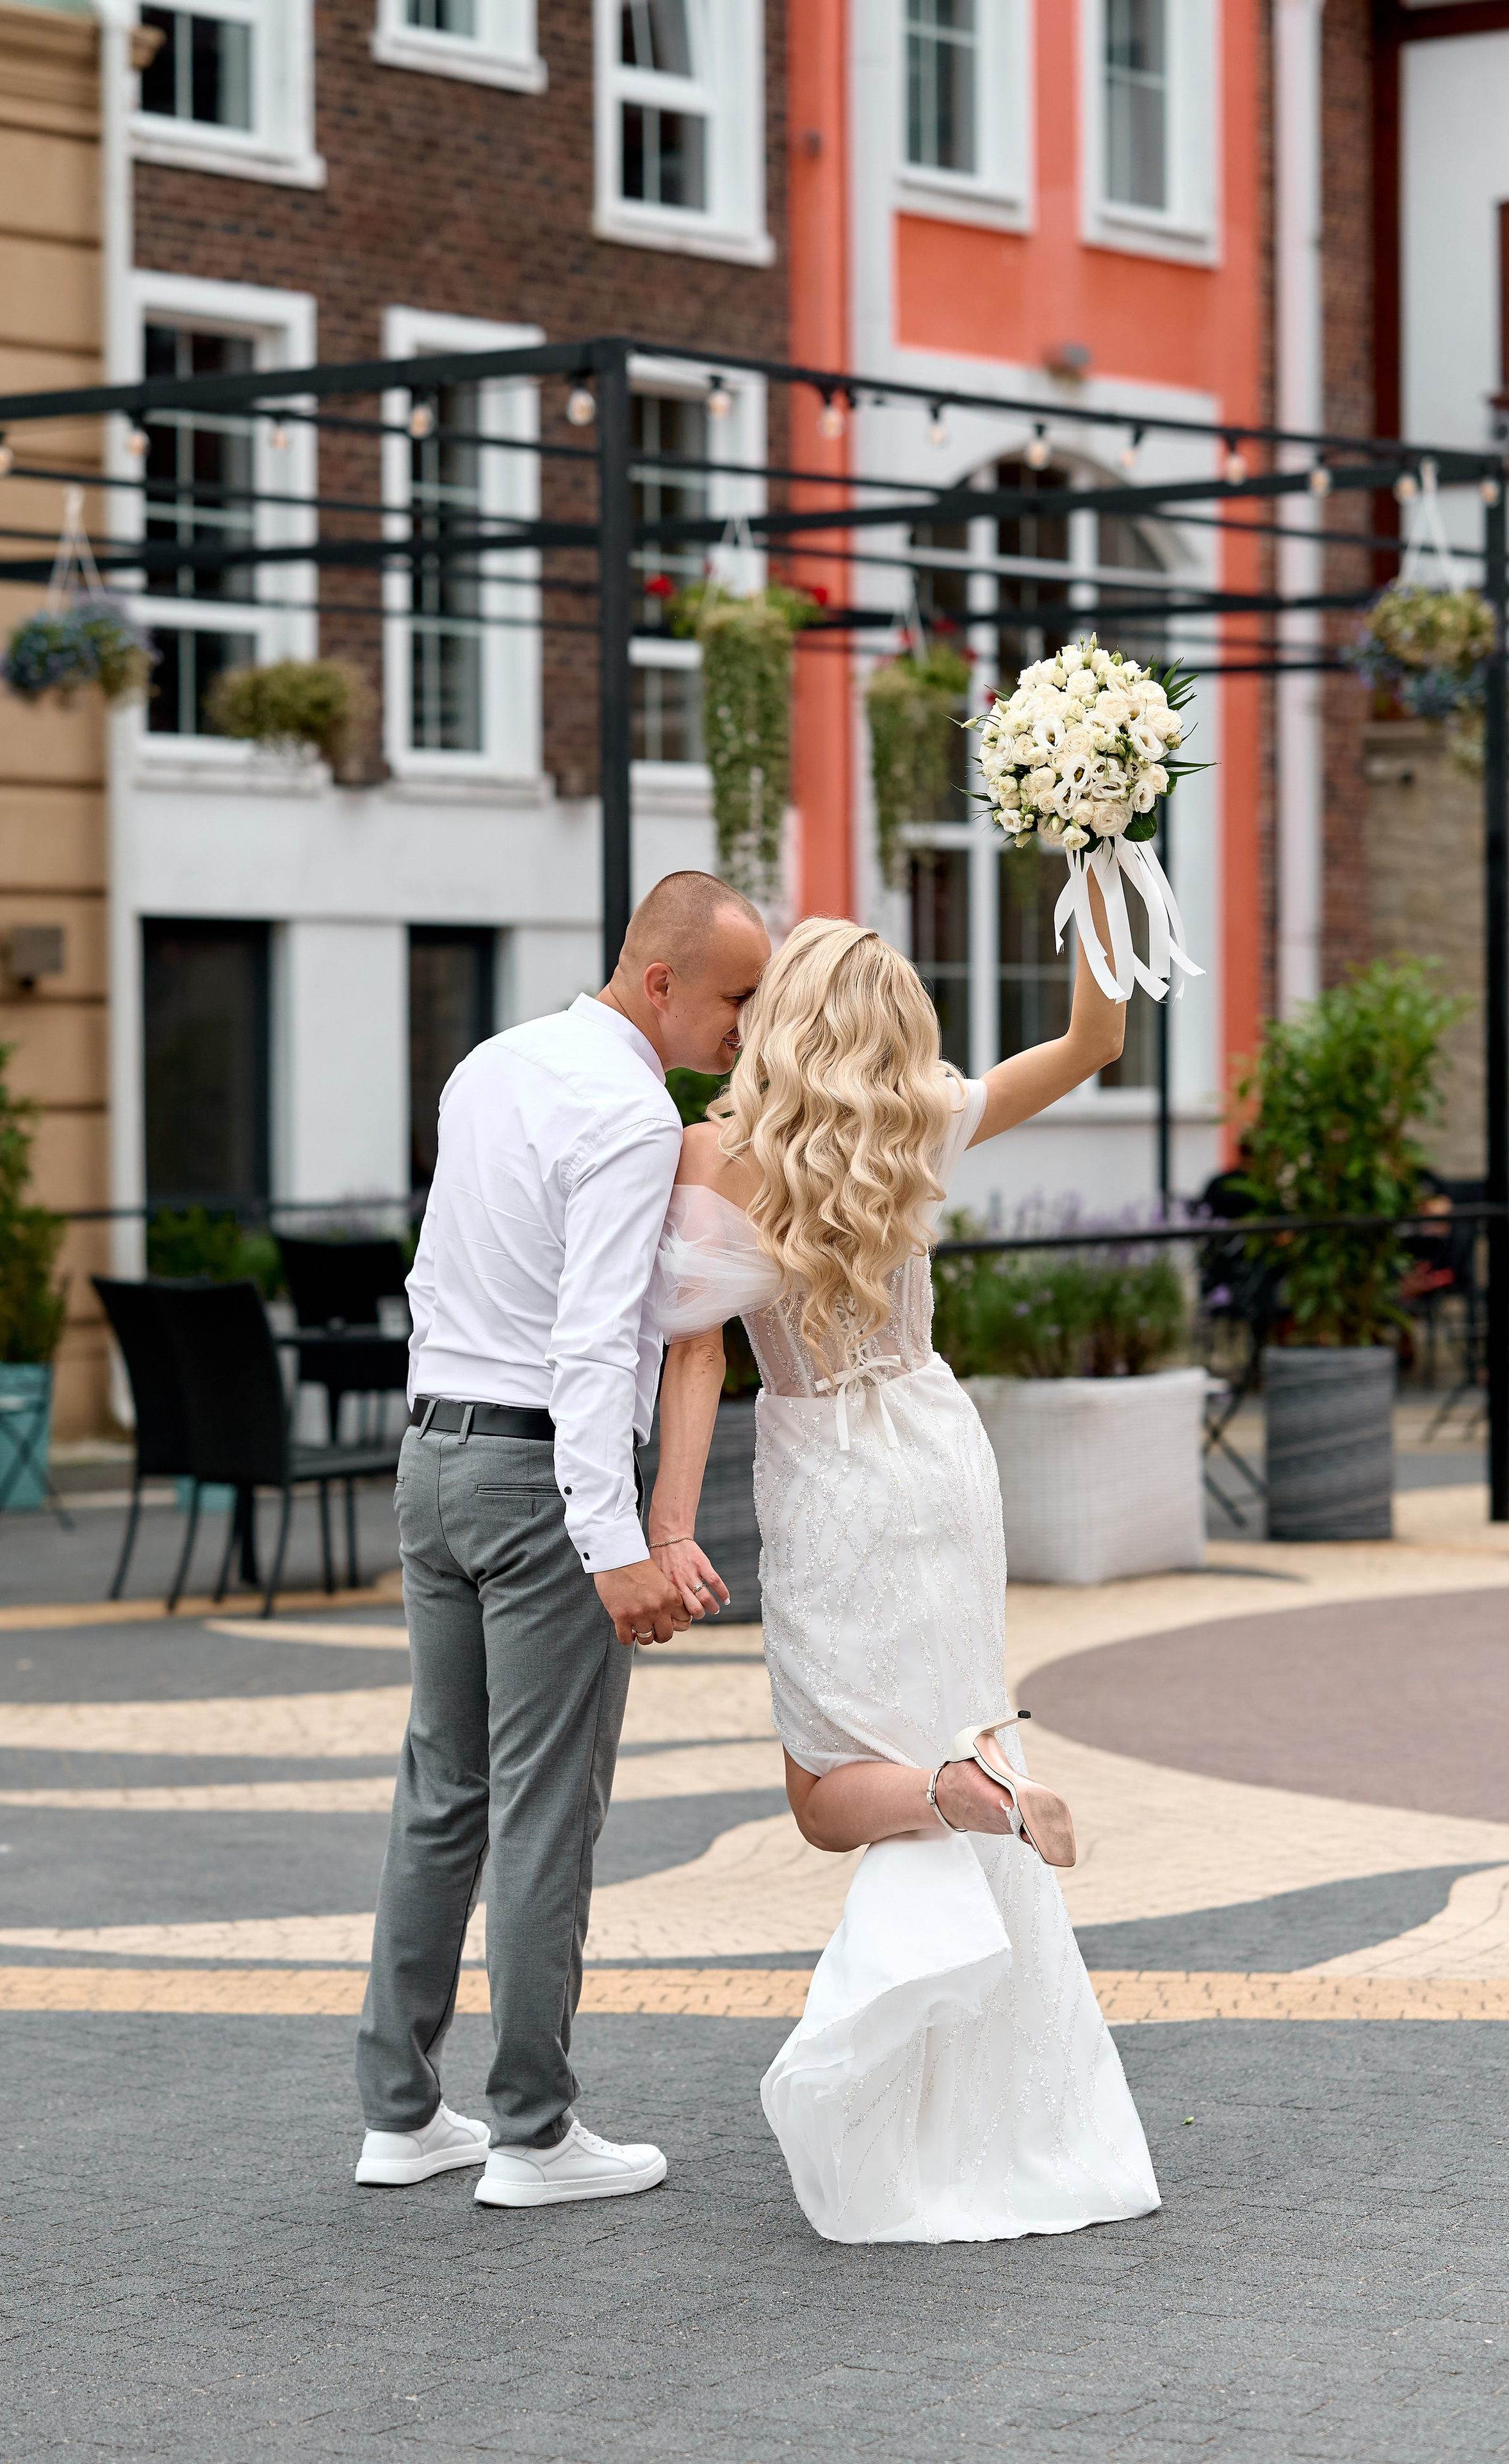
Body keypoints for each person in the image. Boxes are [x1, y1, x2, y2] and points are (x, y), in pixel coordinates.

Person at [646, 895, 1161, 2243]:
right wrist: (1098, 853)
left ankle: (969, 1791)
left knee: (829, 1794)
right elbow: (1094, 1036)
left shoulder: (720, 1155)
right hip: (938, 1448)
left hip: (825, 1466)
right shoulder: (920, 1115)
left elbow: (694, 1352)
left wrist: (665, 1525)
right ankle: (988, 2092)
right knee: (942, 1719)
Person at [355, 871, 771, 2208]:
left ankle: (400, 2115)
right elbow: (595, 1340)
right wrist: (614, 1544)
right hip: (538, 1479)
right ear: (660, 983)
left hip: (434, 1457)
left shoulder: (488, 1064)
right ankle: (532, 2133)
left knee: (444, 1793)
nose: (747, 1025)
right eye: (733, 997)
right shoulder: (629, 1113)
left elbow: (443, 1271)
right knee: (545, 1808)